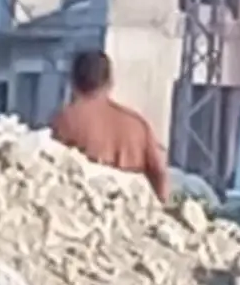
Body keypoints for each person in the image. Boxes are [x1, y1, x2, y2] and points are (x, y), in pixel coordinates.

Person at [50, 50, 169, 203]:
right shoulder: (137, 125)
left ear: (73, 82)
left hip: (83, 215)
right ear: (110, 82)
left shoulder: (65, 122)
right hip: (130, 215)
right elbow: (159, 175)